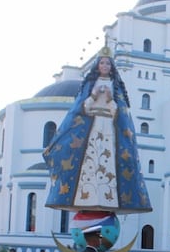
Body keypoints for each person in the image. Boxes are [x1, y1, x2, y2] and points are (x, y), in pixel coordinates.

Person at [42, 45, 151, 215]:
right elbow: (81, 109)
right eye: (102, 64)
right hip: (91, 128)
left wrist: (109, 99)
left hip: (109, 128)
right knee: (89, 162)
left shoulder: (116, 87)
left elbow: (121, 113)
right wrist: (93, 95)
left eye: (108, 64)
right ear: (98, 66)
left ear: (111, 67)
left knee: (107, 162)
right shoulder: (89, 85)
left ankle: (107, 197)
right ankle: (87, 197)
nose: (105, 66)